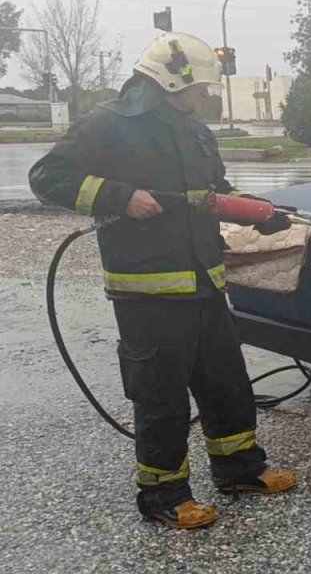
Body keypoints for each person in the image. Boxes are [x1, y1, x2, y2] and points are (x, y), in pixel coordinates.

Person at [29, 32, 295, 530]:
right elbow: (47, 177)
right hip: (147, 294)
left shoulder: (194, 133)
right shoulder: (108, 125)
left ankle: (240, 470)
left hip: (205, 285)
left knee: (227, 384)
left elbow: (213, 193)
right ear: (174, 81)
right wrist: (119, 196)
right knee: (161, 396)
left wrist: (258, 213)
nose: (207, 97)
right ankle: (163, 495)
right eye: (201, 88)